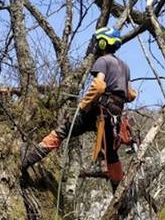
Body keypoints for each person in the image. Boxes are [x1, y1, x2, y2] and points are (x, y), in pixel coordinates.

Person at [21, 26, 137, 190]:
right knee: (111, 155)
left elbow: (98, 85)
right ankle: (119, 193)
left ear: (103, 43)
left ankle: (26, 162)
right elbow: (131, 94)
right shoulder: (125, 66)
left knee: (63, 131)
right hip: (114, 117)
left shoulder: (103, 61)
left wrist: (84, 105)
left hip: (98, 111)